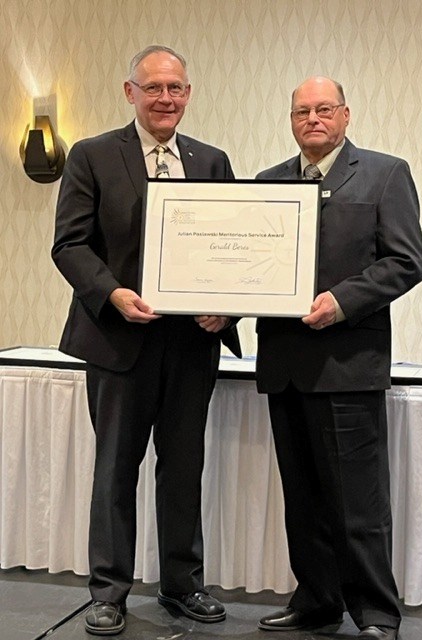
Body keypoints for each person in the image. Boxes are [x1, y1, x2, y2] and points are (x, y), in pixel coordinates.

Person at [52, 45, 241, 636]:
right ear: (130, 92)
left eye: (177, 88)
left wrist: (225, 310)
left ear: (189, 94)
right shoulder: (91, 155)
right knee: (115, 470)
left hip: (191, 345)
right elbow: (70, 245)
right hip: (117, 342)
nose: (167, 99)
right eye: (154, 88)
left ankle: (183, 586)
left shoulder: (212, 161)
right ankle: (109, 591)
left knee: (184, 467)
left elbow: (232, 251)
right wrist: (112, 295)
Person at [255, 77, 422, 640]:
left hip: (349, 364)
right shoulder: (268, 183)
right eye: (301, 110)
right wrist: (222, 309)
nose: (312, 119)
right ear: (291, 119)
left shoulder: (385, 173)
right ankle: (317, 601)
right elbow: (251, 269)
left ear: (346, 115)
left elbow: (406, 261)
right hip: (283, 365)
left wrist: (342, 301)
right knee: (302, 500)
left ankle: (377, 612)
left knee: (359, 502)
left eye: (323, 108)